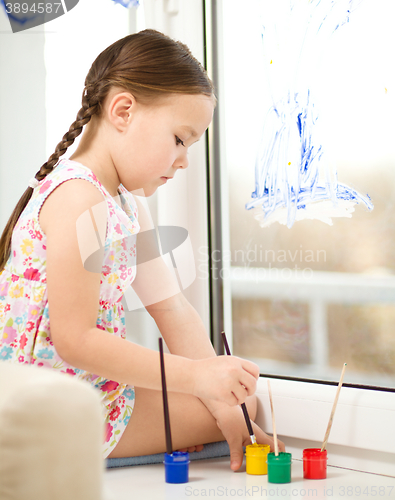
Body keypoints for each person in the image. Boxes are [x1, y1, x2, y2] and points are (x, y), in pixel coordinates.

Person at [0, 29, 284, 470]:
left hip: (80, 388)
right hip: (45, 404)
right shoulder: (80, 198)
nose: (185, 160)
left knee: (235, 410)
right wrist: (198, 378)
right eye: (179, 139)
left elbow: (171, 308)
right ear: (123, 110)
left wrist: (220, 397)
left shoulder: (123, 203)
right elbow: (73, 340)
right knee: (221, 413)